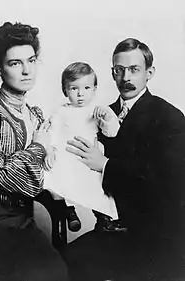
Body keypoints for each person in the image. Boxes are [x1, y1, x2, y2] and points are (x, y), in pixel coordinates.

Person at [63, 38, 185, 280]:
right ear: (112, 73)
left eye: (134, 70)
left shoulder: (170, 117)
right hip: (110, 230)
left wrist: (105, 165)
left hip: (155, 237)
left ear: (149, 73)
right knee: (61, 266)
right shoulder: (98, 114)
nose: (126, 77)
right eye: (119, 70)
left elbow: (167, 185)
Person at [0, 22, 68, 280]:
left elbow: (47, 170)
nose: (26, 71)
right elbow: (1, 174)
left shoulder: (36, 115)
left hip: (21, 221)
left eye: (31, 60)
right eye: (15, 63)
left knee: (56, 272)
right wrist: (38, 147)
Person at [44, 62, 119, 231]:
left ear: (94, 89)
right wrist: (50, 151)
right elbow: (52, 133)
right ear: (65, 90)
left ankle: (103, 217)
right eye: (73, 88)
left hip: (89, 156)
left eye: (86, 88)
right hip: (67, 152)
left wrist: (108, 118)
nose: (80, 94)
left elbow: (112, 132)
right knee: (60, 174)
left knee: (97, 183)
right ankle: (69, 212)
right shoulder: (61, 111)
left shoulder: (97, 110)